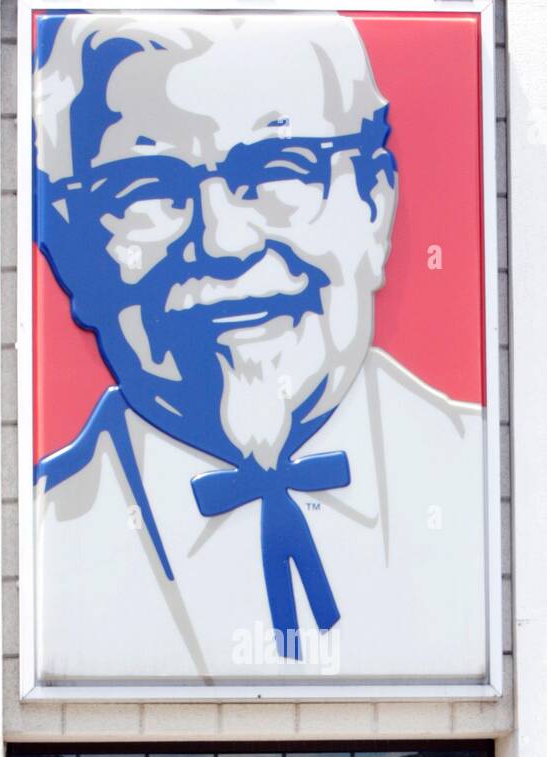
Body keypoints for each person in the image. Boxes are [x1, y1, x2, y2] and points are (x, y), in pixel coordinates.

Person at [31, 10, 486, 684]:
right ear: (68, 248)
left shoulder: (479, 488)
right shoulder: (40, 538)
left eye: (280, 167)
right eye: (147, 188)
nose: (224, 240)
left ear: (373, 206)